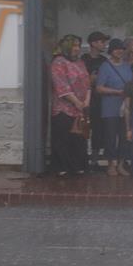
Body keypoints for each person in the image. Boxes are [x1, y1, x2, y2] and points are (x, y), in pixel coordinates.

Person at [48, 34, 91, 177]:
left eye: (78, 46)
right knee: (63, 140)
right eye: (74, 45)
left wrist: (86, 101)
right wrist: (77, 102)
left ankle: (78, 167)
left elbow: (88, 83)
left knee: (78, 140)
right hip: (64, 110)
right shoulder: (58, 62)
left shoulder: (80, 62)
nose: (77, 49)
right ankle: (62, 168)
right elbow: (61, 87)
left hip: (80, 110)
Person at [96, 38, 133, 176]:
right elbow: (99, 88)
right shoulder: (105, 66)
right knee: (111, 137)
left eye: (121, 49)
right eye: (116, 48)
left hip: (126, 108)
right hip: (110, 107)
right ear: (111, 50)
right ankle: (110, 164)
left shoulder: (127, 66)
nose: (119, 51)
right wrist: (117, 92)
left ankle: (121, 164)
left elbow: (132, 84)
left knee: (124, 137)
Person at [81, 31, 109, 170]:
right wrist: (89, 80)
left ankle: (94, 159)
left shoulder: (104, 61)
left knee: (98, 129)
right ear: (93, 43)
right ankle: (81, 157)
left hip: (99, 100)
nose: (104, 44)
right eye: (101, 41)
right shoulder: (83, 59)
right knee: (83, 127)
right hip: (83, 99)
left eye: (104, 42)